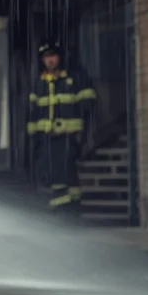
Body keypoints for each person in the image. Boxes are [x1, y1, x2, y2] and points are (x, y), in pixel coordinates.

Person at [27, 40, 97, 214]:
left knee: (65, 173)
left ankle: (66, 208)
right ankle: (66, 207)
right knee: (55, 173)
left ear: (60, 57)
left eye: (53, 56)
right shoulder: (39, 83)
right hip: (47, 138)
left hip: (68, 136)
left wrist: (84, 133)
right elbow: (33, 113)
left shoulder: (75, 78)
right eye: (46, 57)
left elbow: (87, 106)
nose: (50, 60)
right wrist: (34, 138)